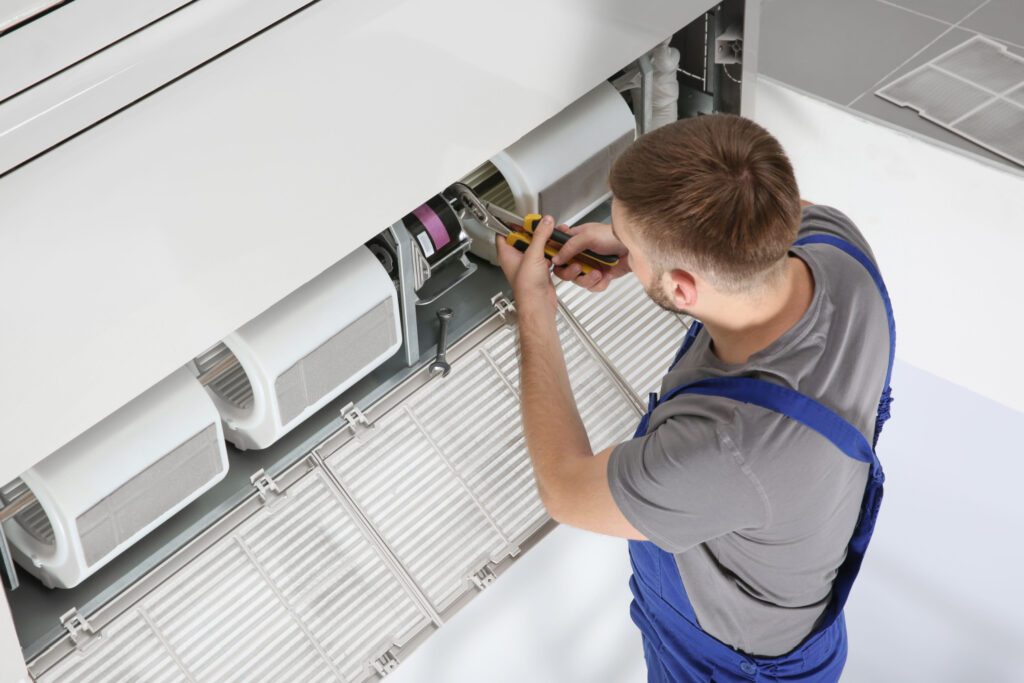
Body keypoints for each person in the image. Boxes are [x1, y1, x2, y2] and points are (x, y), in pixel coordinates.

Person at [495, 114, 893, 682]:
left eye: (629, 248)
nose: (623, 252)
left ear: (683, 288)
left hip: (731, 667)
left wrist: (534, 304)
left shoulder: (724, 449)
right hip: (796, 614)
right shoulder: (837, 248)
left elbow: (562, 489)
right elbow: (764, 216)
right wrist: (641, 242)